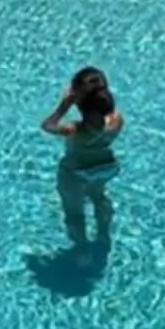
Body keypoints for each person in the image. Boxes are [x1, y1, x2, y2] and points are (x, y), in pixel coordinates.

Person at [41, 66, 122, 252]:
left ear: (78, 101)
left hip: (76, 173)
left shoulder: (74, 130)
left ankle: (82, 249)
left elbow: (47, 125)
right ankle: (103, 235)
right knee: (99, 197)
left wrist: (64, 105)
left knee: (74, 212)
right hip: (105, 167)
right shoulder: (117, 120)